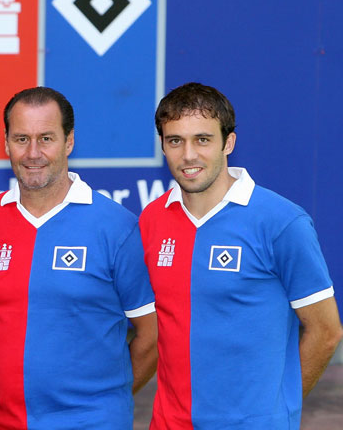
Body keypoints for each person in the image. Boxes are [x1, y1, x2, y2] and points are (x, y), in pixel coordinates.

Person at [139, 82, 343, 429]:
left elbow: (326, 331)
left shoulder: (281, 221)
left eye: (202, 139)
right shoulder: (152, 218)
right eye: (175, 141)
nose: (188, 155)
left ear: (228, 143)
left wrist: (279, 407)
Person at [0, 86, 158, 429]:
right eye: (21, 138)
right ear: (6, 143)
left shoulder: (117, 227)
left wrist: (107, 397)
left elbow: (151, 335)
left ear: (69, 142)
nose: (33, 152)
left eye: (46, 138)